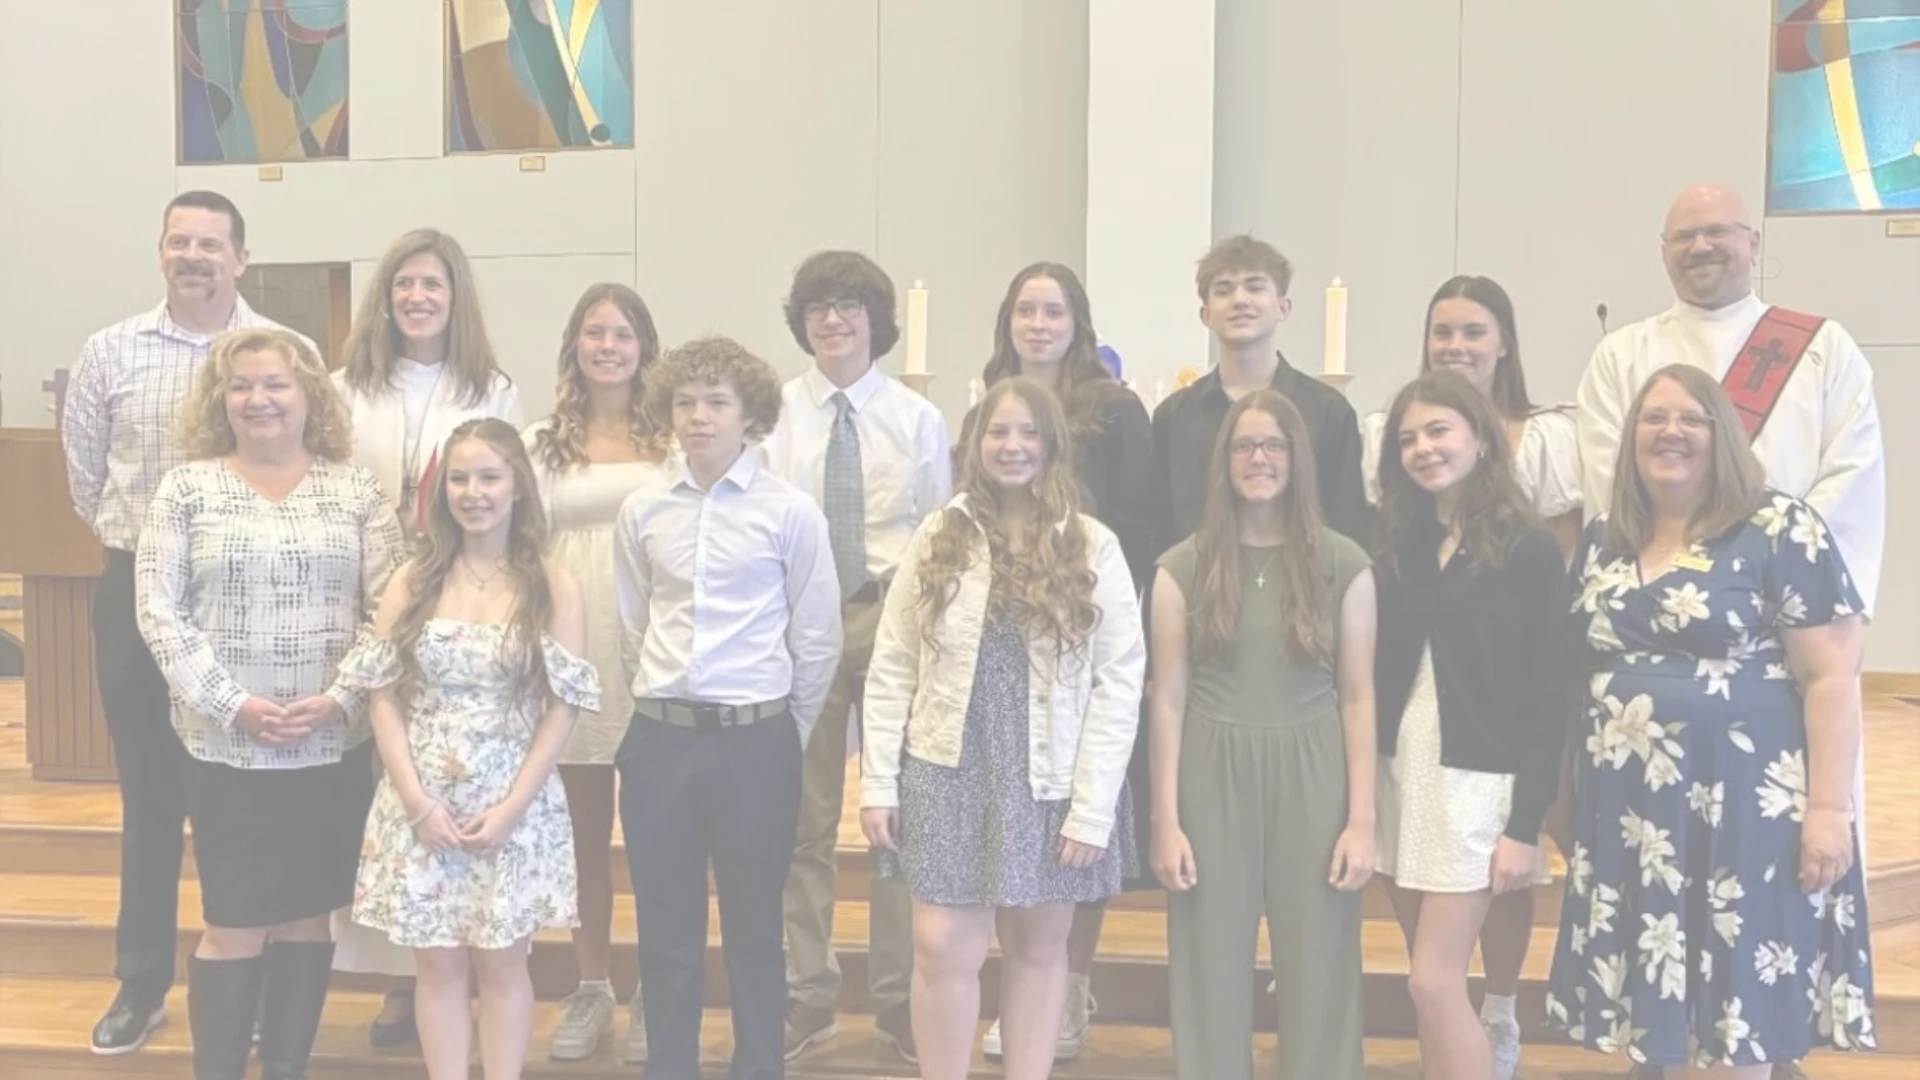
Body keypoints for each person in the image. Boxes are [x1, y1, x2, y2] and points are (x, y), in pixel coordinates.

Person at [1574, 185, 1885, 1080]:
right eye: (1684, 235)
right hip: (1640, 789)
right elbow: (1610, 483)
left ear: (1753, 241)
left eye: (1718, 232)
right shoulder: (1623, 353)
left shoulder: (1819, 348)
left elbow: (1851, 474)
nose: (1702, 246)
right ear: (1662, 248)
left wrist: (1755, 552)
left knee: (1754, 958)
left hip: (1761, 732)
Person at [59, 191, 298, 1055]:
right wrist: (151, 552)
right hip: (137, 589)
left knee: (249, 798)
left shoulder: (286, 352)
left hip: (254, 595)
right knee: (151, 795)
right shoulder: (110, 351)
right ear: (162, 252)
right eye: (180, 241)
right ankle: (141, 981)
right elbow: (86, 478)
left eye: (211, 243)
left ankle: (256, 982)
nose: (194, 256)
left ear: (241, 257)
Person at [135, 327, 403, 1079]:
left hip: (329, 746)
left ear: (310, 394)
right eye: (242, 385)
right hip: (226, 748)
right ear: (220, 400)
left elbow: (392, 609)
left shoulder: (355, 490)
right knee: (233, 922)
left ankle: (287, 1067)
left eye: (276, 383)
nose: (259, 399)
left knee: (307, 918)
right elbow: (158, 611)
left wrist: (341, 697)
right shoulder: (185, 489)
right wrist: (233, 704)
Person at [861, 377, 1145, 1080]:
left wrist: (1093, 806)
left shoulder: (1091, 544)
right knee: (939, 946)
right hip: (947, 763)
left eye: (1028, 433)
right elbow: (893, 662)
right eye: (997, 431)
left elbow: (1119, 680)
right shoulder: (940, 536)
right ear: (975, 443)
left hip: (1049, 772)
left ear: (1052, 445)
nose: (1012, 446)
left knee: (1039, 947)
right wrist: (877, 781)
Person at [1358, 275, 1579, 1079]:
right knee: (1430, 990)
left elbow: (1548, 695)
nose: (1424, 448)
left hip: (1477, 787)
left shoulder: (1526, 548)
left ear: (1481, 440)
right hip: (1402, 774)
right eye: (1409, 438)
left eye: (1440, 432)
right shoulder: (1396, 542)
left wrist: (1526, 824)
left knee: (1433, 978)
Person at [614, 336, 844, 1080]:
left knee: (754, 928)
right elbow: (633, 625)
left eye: (717, 402)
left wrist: (779, 735)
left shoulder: (791, 512)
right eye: (685, 402)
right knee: (666, 931)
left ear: (751, 415)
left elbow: (817, 639)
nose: (699, 417)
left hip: (756, 740)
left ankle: (760, 1066)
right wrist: (662, 705)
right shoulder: (643, 509)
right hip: (663, 738)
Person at [340, 417, 597, 1080]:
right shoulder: (414, 579)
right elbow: (382, 695)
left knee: (504, 962)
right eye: (459, 479)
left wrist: (513, 807)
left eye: (488, 477)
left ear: (517, 486)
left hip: (513, 802)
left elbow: (563, 706)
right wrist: (416, 801)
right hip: (421, 800)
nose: (473, 492)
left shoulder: (552, 584)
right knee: (437, 962)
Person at [957, 262, 1155, 1063]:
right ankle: (1022, 986)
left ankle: (1068, 983)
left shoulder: (1116, 410)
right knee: (1009, 826)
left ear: (1078, 324)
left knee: (1075, 824)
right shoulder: (985, 408)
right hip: (1000, 646)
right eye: (1025, 311)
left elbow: (1140, 525)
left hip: (1080, 634)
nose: (1038, 324)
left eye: (1054, 311)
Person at [330, 227, 523, 1043]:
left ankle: (469, 970)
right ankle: (404, 977)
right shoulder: (345, 388)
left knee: (454, 773)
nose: (416, 298)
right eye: (403, 284)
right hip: (365, 593)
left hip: (458, 596)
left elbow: (506, 487)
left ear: (456, 298)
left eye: (432, 285)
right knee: (389, 789)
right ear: (384, 297)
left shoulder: (491, 388)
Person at [1149, 389, 1376, 1080]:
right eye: (1245, 445)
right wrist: (1165, 820)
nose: (1259, 458)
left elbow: (1358, 696)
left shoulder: (1344, 564)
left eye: (1274, 445)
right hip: (1210, 768)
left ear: (1297, 458)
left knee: (1320, 957)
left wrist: (1361, 820)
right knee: (1209, 959)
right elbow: (1167, 699)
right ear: (1224, 460)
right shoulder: (1181, 567)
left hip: (1314, 767)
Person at [760, 251, 950, 1065]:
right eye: (818, 307)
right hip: (800, 619)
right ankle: (809, 993)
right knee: (801, 822)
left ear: (876, 319)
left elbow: (939, 535)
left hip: (888, 612)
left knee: (894, 817)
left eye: (848, 306)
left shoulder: (916, 418)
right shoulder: (772, 415)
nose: (832, 320)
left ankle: (899, 998)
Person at [523, 283, 676, 1065]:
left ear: (644, 347)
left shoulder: (674, 439)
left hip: (651, 646)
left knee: (656, 837)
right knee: (583, 831)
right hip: (570, 641)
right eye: (594, 333)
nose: (608, 347)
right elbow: (518, 545)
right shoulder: (540, 442)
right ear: (574, 346)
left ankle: (655, 988)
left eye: (622, 334)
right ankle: (591, 985)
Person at [1152, 234, 1368, 548]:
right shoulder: (1173, 417)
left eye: (1255, 287)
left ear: (1283, 307)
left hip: (1304, 575)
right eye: (1224, 290)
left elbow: (1348, 527)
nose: (1240, 300)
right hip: (1198, 576)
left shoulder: (1329, 411)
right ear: (1206, 314)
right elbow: (1161, 531)